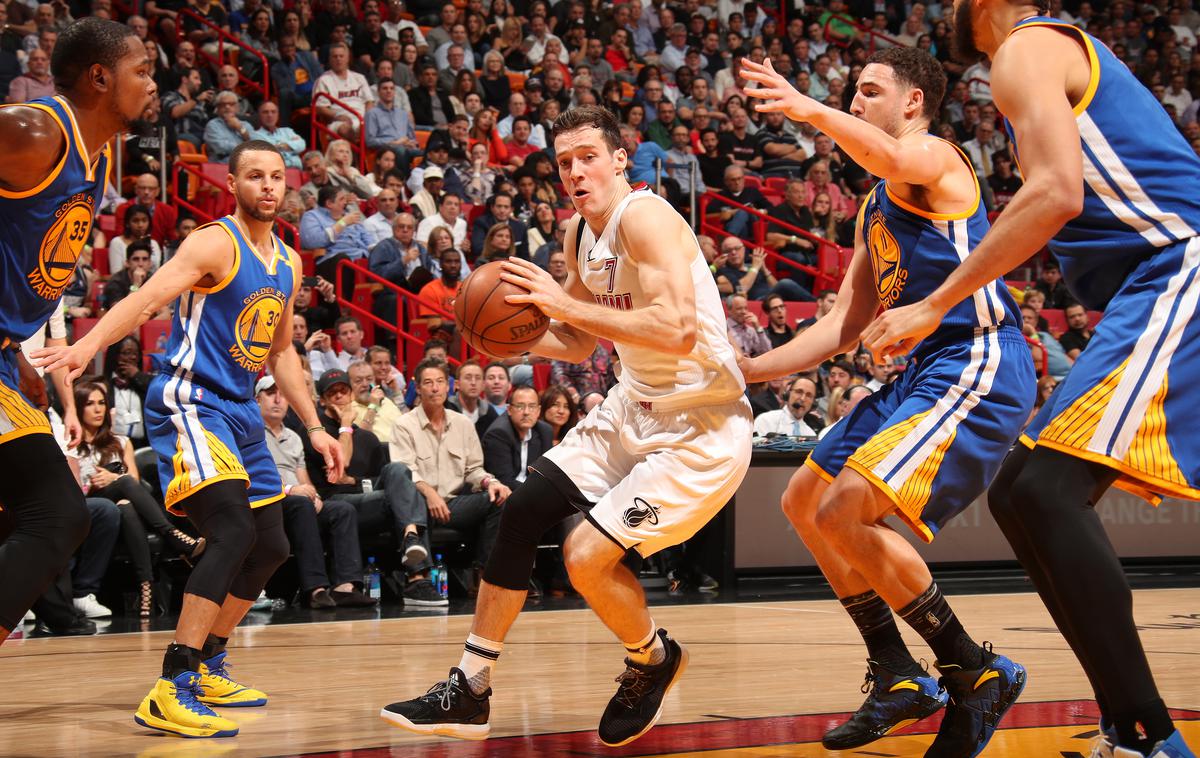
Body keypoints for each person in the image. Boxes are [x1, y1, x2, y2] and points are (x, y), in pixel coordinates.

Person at [862, 8, 1200, 756]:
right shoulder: (1035, 58)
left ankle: (1150, 737)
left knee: (1046, 491)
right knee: (1022, 491)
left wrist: (934, 301)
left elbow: (1056, 194)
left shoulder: (1028, 48)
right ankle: (1126, 725)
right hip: (1154, 282)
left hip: (1183, 266)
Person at [380, 105, 753, 747]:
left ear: (619, 160)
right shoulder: (583, 234)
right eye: (563, 162)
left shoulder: (649, 217)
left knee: (585, 558)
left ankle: (651, 659)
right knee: (522, 511)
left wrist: (560, 301)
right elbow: (580, 342)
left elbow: (678, 328)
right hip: (632, 405)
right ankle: (469, 688)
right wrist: (519, 345)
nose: (575, 172)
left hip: (700, 427)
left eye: (587, 156)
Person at [739, 49, 1035, 754]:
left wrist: (808, 108)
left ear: (912, 103)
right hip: (921, 370)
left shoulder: (936, 158)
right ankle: (900, 672)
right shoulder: (875, 206)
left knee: (847, 506)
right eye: (850, 91)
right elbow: (842, 327)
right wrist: (745, 369)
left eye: (869, 90)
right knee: (804, 501)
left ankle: (975, 667)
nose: (855, 99)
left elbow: (887, 155)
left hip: (977, 358)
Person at [35, 141, 344, 738]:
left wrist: (315, 428)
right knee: (231, 530)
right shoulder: (213, 242)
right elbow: (147, 297)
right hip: (189, 399)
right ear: (232, 183)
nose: (269, 186)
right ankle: (169, 685)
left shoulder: (288, 261)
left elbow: (280, 352)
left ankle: (207, 662)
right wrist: (86, 345)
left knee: (272, 545)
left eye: (277, 177)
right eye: (255, 176)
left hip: (241, 410)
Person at [0, 17, 156, 646]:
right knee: (54, 515)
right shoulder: (36, 131)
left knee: (54, 516)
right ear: (100, 76)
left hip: (10, 361)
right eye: (140, 70)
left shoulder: (96, 154)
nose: (151, 84)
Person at [257, 375, 376, 609]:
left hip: (297, 498)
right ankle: (315, 588)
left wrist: (316, 495)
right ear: (257, 400)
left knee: (342, 510)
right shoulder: (251, 435)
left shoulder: (293, 437)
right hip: (270, 500)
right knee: (301, 504)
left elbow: (304, 478)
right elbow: (255, 478)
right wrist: (292, 490)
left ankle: (345, 587)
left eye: (282, 394)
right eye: (271, 394)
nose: (278, 399)